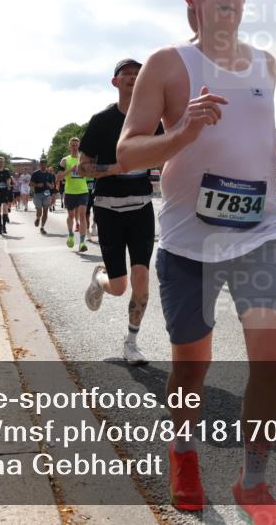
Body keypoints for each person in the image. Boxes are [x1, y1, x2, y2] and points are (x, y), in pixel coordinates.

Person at [117, 0, 276, 523]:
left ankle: (254, 481)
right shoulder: (167, 64)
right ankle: (182, 450)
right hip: (186, 244)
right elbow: (129, 151)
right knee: (191, 367)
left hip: (260, 235)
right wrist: (183, 130)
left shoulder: (266, 66)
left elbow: (260, 149)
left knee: (274, 364)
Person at [80, 58, 162, 365]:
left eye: (137, 74)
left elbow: (167, 159)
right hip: (108, 209)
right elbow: (83, 168)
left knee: (141, 277)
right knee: (119, 287)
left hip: (141, 207)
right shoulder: (101, 121)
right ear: (115, 82)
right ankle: (100, 279)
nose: (131, 78)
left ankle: (131, 342)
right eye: (125, 74)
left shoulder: (153, 121)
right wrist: (114, 167)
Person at [61, 138, 90, 251]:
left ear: (79, 146)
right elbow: (59, 176)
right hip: (70, 192)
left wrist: (85, 171)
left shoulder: (84, 159)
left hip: (83, 191)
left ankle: (82, 243)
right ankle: (71, 235)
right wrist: (71, 170)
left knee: (82, 215)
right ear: (69, 147)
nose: (74, 147)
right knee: (71, 216)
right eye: (72, 145)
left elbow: (90, 172)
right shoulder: (64, 160)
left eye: (76, 145)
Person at [30, 158, 55, 234]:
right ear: (40, 165)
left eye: (45, 164)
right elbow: (30, 184)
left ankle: (42, 227)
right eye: (42, 164)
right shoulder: (35, 173)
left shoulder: (50, 174)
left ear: (46, 164)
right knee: (39, 212)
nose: (43, 165)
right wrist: (37, 185)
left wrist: (49, 185)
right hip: (38, 194)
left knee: (45, 212)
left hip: (46, 195)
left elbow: (52, 186)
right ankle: (38, 218)